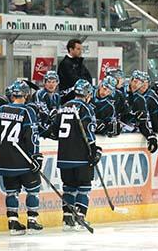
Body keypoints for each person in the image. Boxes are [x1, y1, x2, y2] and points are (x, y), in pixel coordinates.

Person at [0, 80, 43, 235]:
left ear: (12, 94)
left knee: (11, 192)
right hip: (24, 160)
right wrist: (36, 156)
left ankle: (13, 223)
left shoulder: (1, 109)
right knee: (33, 191)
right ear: (26, 94)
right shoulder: (27, 111)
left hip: (6, 160)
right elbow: (32, 136)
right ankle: (32, 221)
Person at [50, 79, 100, 230]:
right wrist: (94, 150)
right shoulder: (86, 108)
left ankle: (67, 219)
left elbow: (54, 130)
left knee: (69, 187)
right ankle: (80, 217)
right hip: (81, 155)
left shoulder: (64, 107)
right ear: (87, 94)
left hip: (64, 155)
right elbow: (89, 132)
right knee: (84, 187)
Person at [126, 70, 158, 152]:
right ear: (130, 80)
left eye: (140, 83)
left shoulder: (140, 99)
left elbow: (143, 123)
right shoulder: (119, 93)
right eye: (135, 81)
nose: (136, 85)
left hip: (127, 136)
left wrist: (150, 136)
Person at [58, 38, 92, 103]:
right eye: (78, 49)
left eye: (81, 49)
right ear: (71, 49)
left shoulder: (79, 62)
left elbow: (88, 77)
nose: (81, 51)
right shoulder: (65, 63)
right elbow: (73, 80)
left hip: (80, 97)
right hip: (68, 99)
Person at [32, 70, 61, 138]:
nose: (51, 84)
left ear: (57, 83)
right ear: (44, 82)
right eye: (49, 82)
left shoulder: (57, 96)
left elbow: (58, 113)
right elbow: (43, 113)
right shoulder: (39, 93)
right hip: (39, 130)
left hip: (50, 128)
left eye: (54, 82)